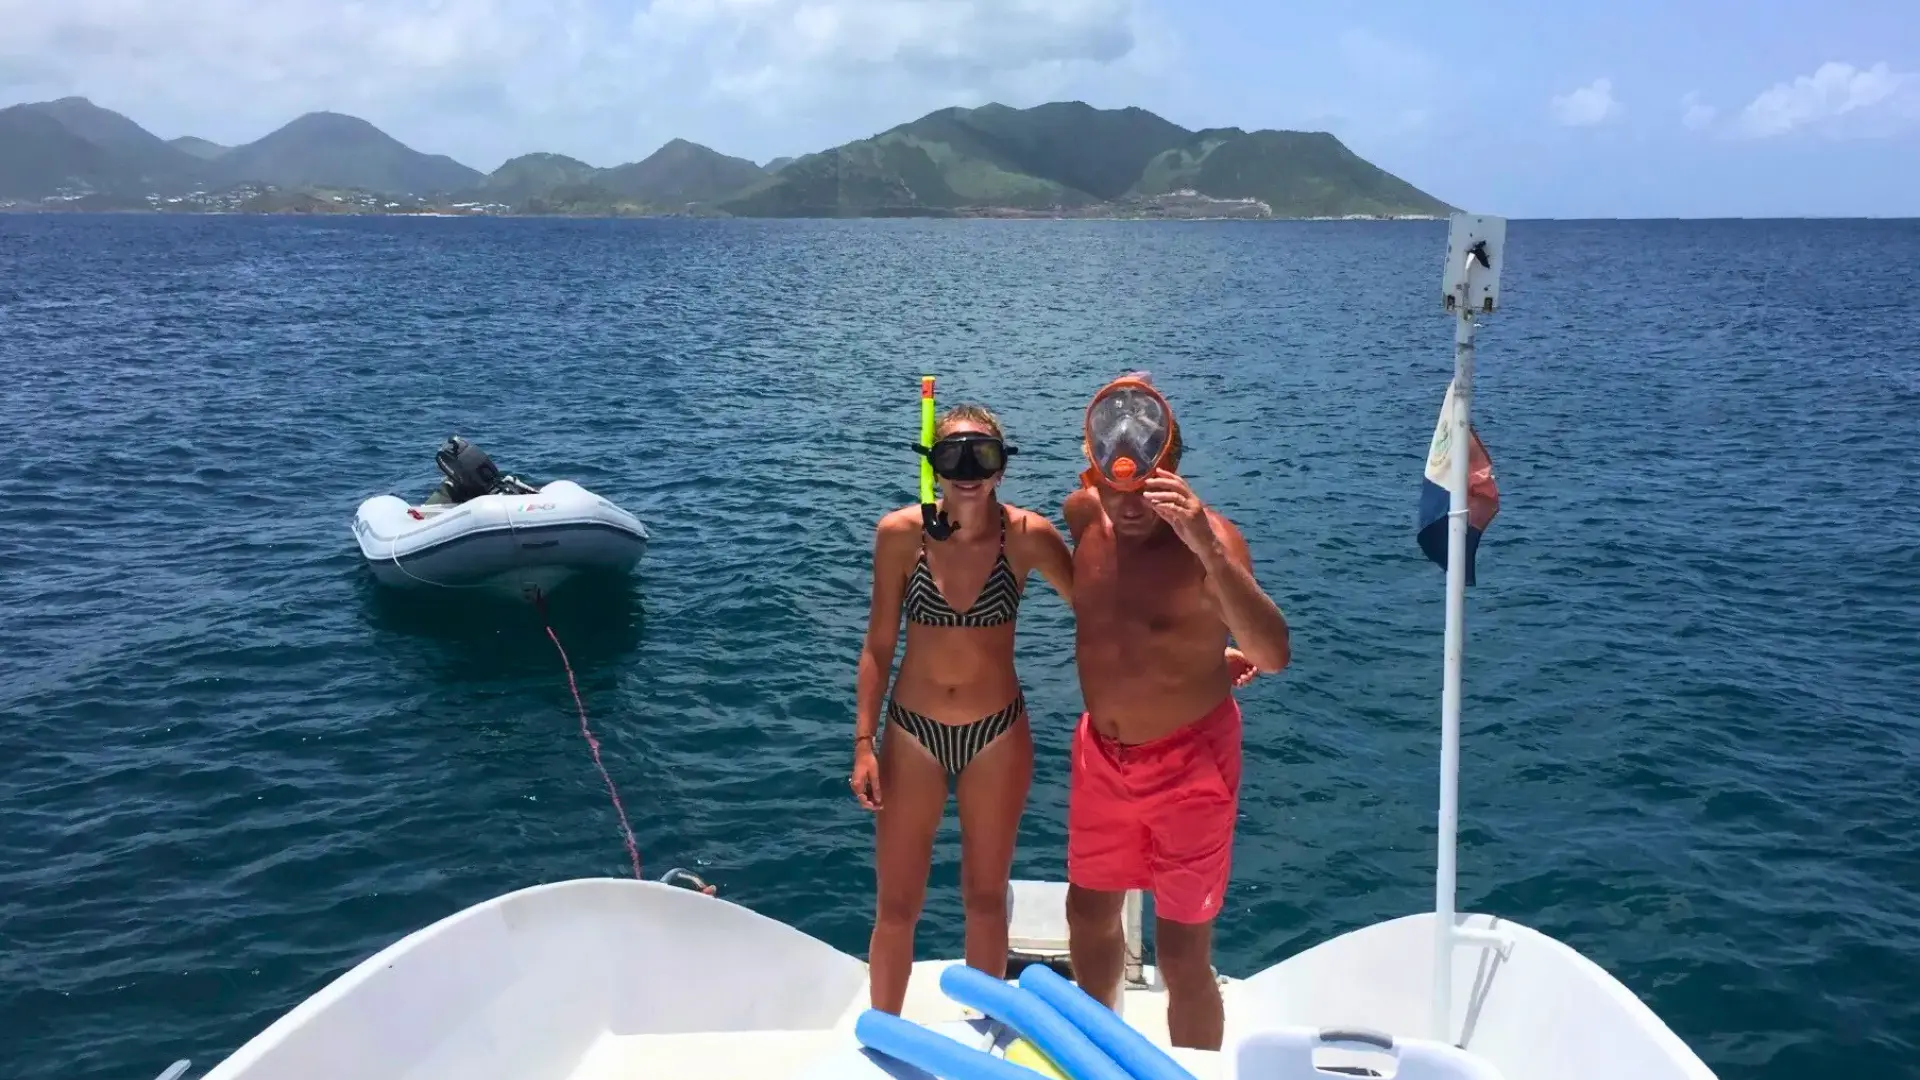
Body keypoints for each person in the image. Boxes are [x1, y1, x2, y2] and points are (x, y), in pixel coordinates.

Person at [1060, 373, 1292, 1050]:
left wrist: (1209, 553)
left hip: (1190, 762)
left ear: (1173, 473)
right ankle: (1101, 1051)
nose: (1131, 507)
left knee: (1182, 952)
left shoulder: (1211, 542)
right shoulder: (1084, 517)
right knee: (1088, 914)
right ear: (1094, 473)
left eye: (1148, 488)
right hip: (1101, 757)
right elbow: (1123, 618)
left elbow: (1273, 653)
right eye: (1117, 489)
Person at [850, 403, 1075, 1013]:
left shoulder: (1027, 536)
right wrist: (864, 743)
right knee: (897, 905)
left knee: (985, 897)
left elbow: (1099, 609)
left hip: (996, 734)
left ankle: (987, 1034)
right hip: (911, 733)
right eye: (953, 456)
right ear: (933, 465)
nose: (969, 472)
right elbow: (878, 644)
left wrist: (1199, 645)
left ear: (1003, 467)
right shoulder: (900, 534)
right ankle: (884, 1034)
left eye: (984, 456)